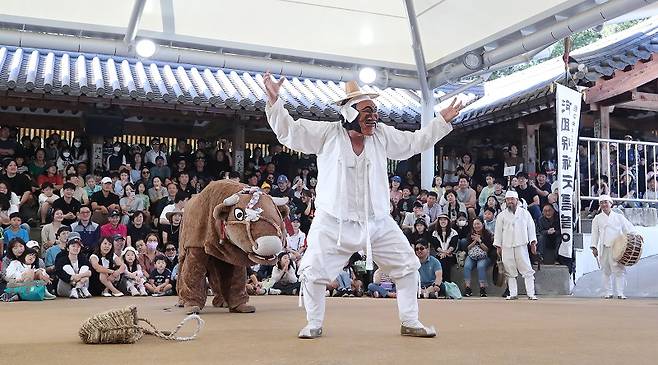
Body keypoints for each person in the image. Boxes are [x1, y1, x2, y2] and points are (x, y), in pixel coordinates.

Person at [264, 74, 462, 339]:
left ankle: (410, 321)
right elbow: (289, 131)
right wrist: (275, 101)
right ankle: (314, 322)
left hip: (377, 222)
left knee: (407, 265)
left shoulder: (381, 135)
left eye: (375, 110)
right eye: (367, 110)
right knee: (312, 272)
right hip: (333, 222)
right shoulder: (327, 134)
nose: (373, 116)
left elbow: (414, 142)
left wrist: (440, 122)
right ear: (348, 111)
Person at [590, 195, 637, 299]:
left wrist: (634, 237)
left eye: (606, 202)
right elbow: (595, 234)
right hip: (604, 247)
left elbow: (629, 229)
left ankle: (620, 292)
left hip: (617, 248)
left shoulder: (619, 217)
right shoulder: (597, 219)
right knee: (606, 271)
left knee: (619, 270)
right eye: (602, 203)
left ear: (611, 203)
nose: (604, 205)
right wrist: (594, 247)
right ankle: (608, 292)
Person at [493, 191, 538, 300]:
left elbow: (531, 228)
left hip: (521, 244)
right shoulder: (501, 215)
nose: (510, 202)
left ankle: (531, 294)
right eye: (508, 200)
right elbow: (498, 231)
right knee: (509, 270)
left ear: (517, 200)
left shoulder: (524, 213)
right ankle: (513, 293)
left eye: (512, 199)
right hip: (506, 246)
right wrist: (498, 246)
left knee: (527, 269)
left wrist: (533, 242)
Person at [463, 218, 495, 297]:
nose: (476, 226)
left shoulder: (487, 234)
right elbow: (468, 248)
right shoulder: (470, 234)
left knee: (480, 266)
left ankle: (482, 288)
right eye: (475, 224)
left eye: (478, 224)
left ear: (482, 224)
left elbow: (487, 249)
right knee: (467, 266)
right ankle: (468, 288)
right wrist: (474, 241)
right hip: (472, 255)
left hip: (484, 256)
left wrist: (480, 240)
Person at [54, 233, 92, 298]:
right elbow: (59, 272)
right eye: (73, 246)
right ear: (68, 248)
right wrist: (73, 279)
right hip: (66, 286)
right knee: (67, 267)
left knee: (85, 268)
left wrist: (79, 276)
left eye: (78, 246)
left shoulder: (82, 257)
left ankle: (77, 289)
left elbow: (90, 272)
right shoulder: (61, 256)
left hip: (81, 283)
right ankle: (77, 289)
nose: (76, 248)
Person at [432, 214, 458, 282]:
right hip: (439, 254)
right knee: (441, 261)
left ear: (448, 221)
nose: (443, 221)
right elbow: (436, 246)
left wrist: (446, 253)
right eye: (441, 220)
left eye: (445, 220)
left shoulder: (454, 232)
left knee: (446, 260)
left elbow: (453, 246)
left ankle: (446, 283)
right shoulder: (435, 233)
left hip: (451, 255)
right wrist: (443, 252)